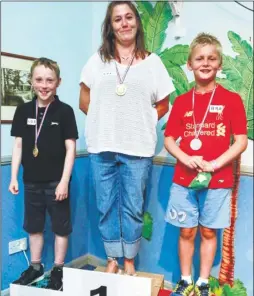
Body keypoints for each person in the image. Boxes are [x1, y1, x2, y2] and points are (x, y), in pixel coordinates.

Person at [79, 1, 174, 275]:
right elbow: (84, 99)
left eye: (129, 17)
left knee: (133, 207)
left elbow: (163, 104)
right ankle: (112, 260)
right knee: (106, 206)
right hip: (102, 147)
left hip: (138, 149)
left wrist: (141, 123)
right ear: (110, 26)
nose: (124, 23)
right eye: (117, 19)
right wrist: (105, 122)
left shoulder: (153, 62)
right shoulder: (98, 60)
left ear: (137, 22)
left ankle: (129, 261)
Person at [164, 33, 248, 296]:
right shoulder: (180, 102)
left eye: (212, 58)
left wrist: (215, 163)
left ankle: (202, 282)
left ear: (219, 64)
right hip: (183, 178)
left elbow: (241, 141)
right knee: (187, 231)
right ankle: (184, 279)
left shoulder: (231, 100)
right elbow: (169, 139)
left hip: (218, 178)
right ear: (190, 64)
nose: (205, 62)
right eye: (199, 58)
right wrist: (186, 158)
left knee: (209, 232)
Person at [9, 57, 78, 290]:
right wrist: (13, 177)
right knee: (34, 227)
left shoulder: (65, 111)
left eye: (50, 80)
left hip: (57, 182)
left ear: (58, 82)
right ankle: (36, 267)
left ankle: (59, 269)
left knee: (60, 226)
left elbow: (71, 149)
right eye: (39, 79)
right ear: (31, 81)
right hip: (30, 182)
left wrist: (64, 182)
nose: (44, 85)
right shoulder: (23, 110)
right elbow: (18, 146)